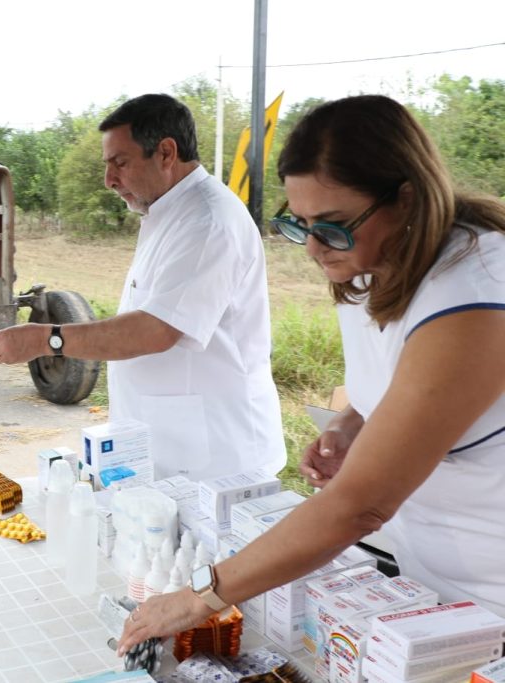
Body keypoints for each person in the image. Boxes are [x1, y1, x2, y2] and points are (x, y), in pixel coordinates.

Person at [117, 94, 505, 656]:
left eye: (335, 225)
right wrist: (351, 422)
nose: (315, 249)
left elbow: (359, 506)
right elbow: (401, 381)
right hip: (431, 571)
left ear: (407, 198)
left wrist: (200, 595)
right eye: (300, 225)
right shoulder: (372, 260)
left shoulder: (474, 295)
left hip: (493, 583)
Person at [0, 93, 285, 482]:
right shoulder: (168, 212)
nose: (109, 180)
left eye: (120, 163)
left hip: (217, 456)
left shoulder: (208, 221)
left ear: (166, 153)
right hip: (172, 441)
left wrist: (46, 339)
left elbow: (155, 329)